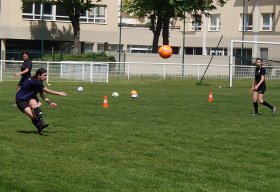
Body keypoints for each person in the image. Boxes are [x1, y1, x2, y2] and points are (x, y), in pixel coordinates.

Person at [16, 68, 67, 134]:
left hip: (30, 98)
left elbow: (42, 95)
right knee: (32, 116)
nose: (46, 77)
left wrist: (50, 103)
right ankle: (40, 126)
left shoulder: (38, 82)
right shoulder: (35, 82)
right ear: (39, 75)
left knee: (34, 102)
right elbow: (48, 91)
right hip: (20, 99)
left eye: (46, 75)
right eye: (44, 75)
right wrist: (59, 93)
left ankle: (41, 124)